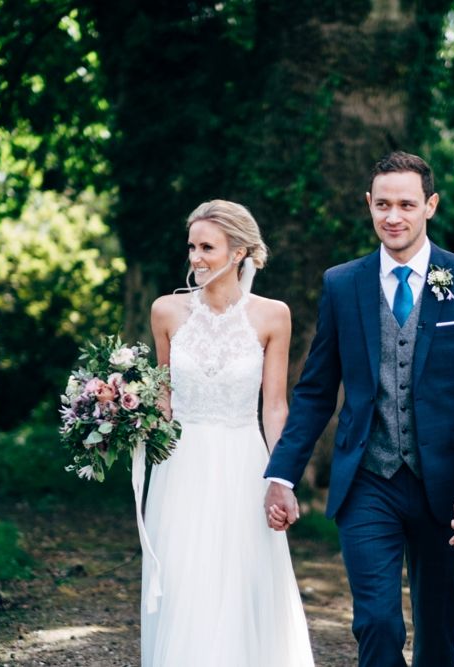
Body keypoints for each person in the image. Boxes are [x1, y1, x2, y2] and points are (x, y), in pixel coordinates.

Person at [264, 151, 454, 666]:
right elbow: (315, 391)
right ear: (369, 206)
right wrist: (282, 475)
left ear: (430, 206)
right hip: (367, 480)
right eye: (382, 204)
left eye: (405, 204)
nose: (393, 216)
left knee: (438, 622)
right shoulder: (342, 283)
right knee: (376, 621)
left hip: (443, 485)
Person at [142, 200, 314, 666]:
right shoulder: (167, 312)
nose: (195, 257)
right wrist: (121, 416)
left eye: (207, 247)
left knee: (240, 582)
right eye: (192, 246)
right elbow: (164, 396)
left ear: (238, 253)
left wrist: (282, 480)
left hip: (243, 461)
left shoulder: (272, 315)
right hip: (181, 463)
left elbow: (275, 407)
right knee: (183, 582)